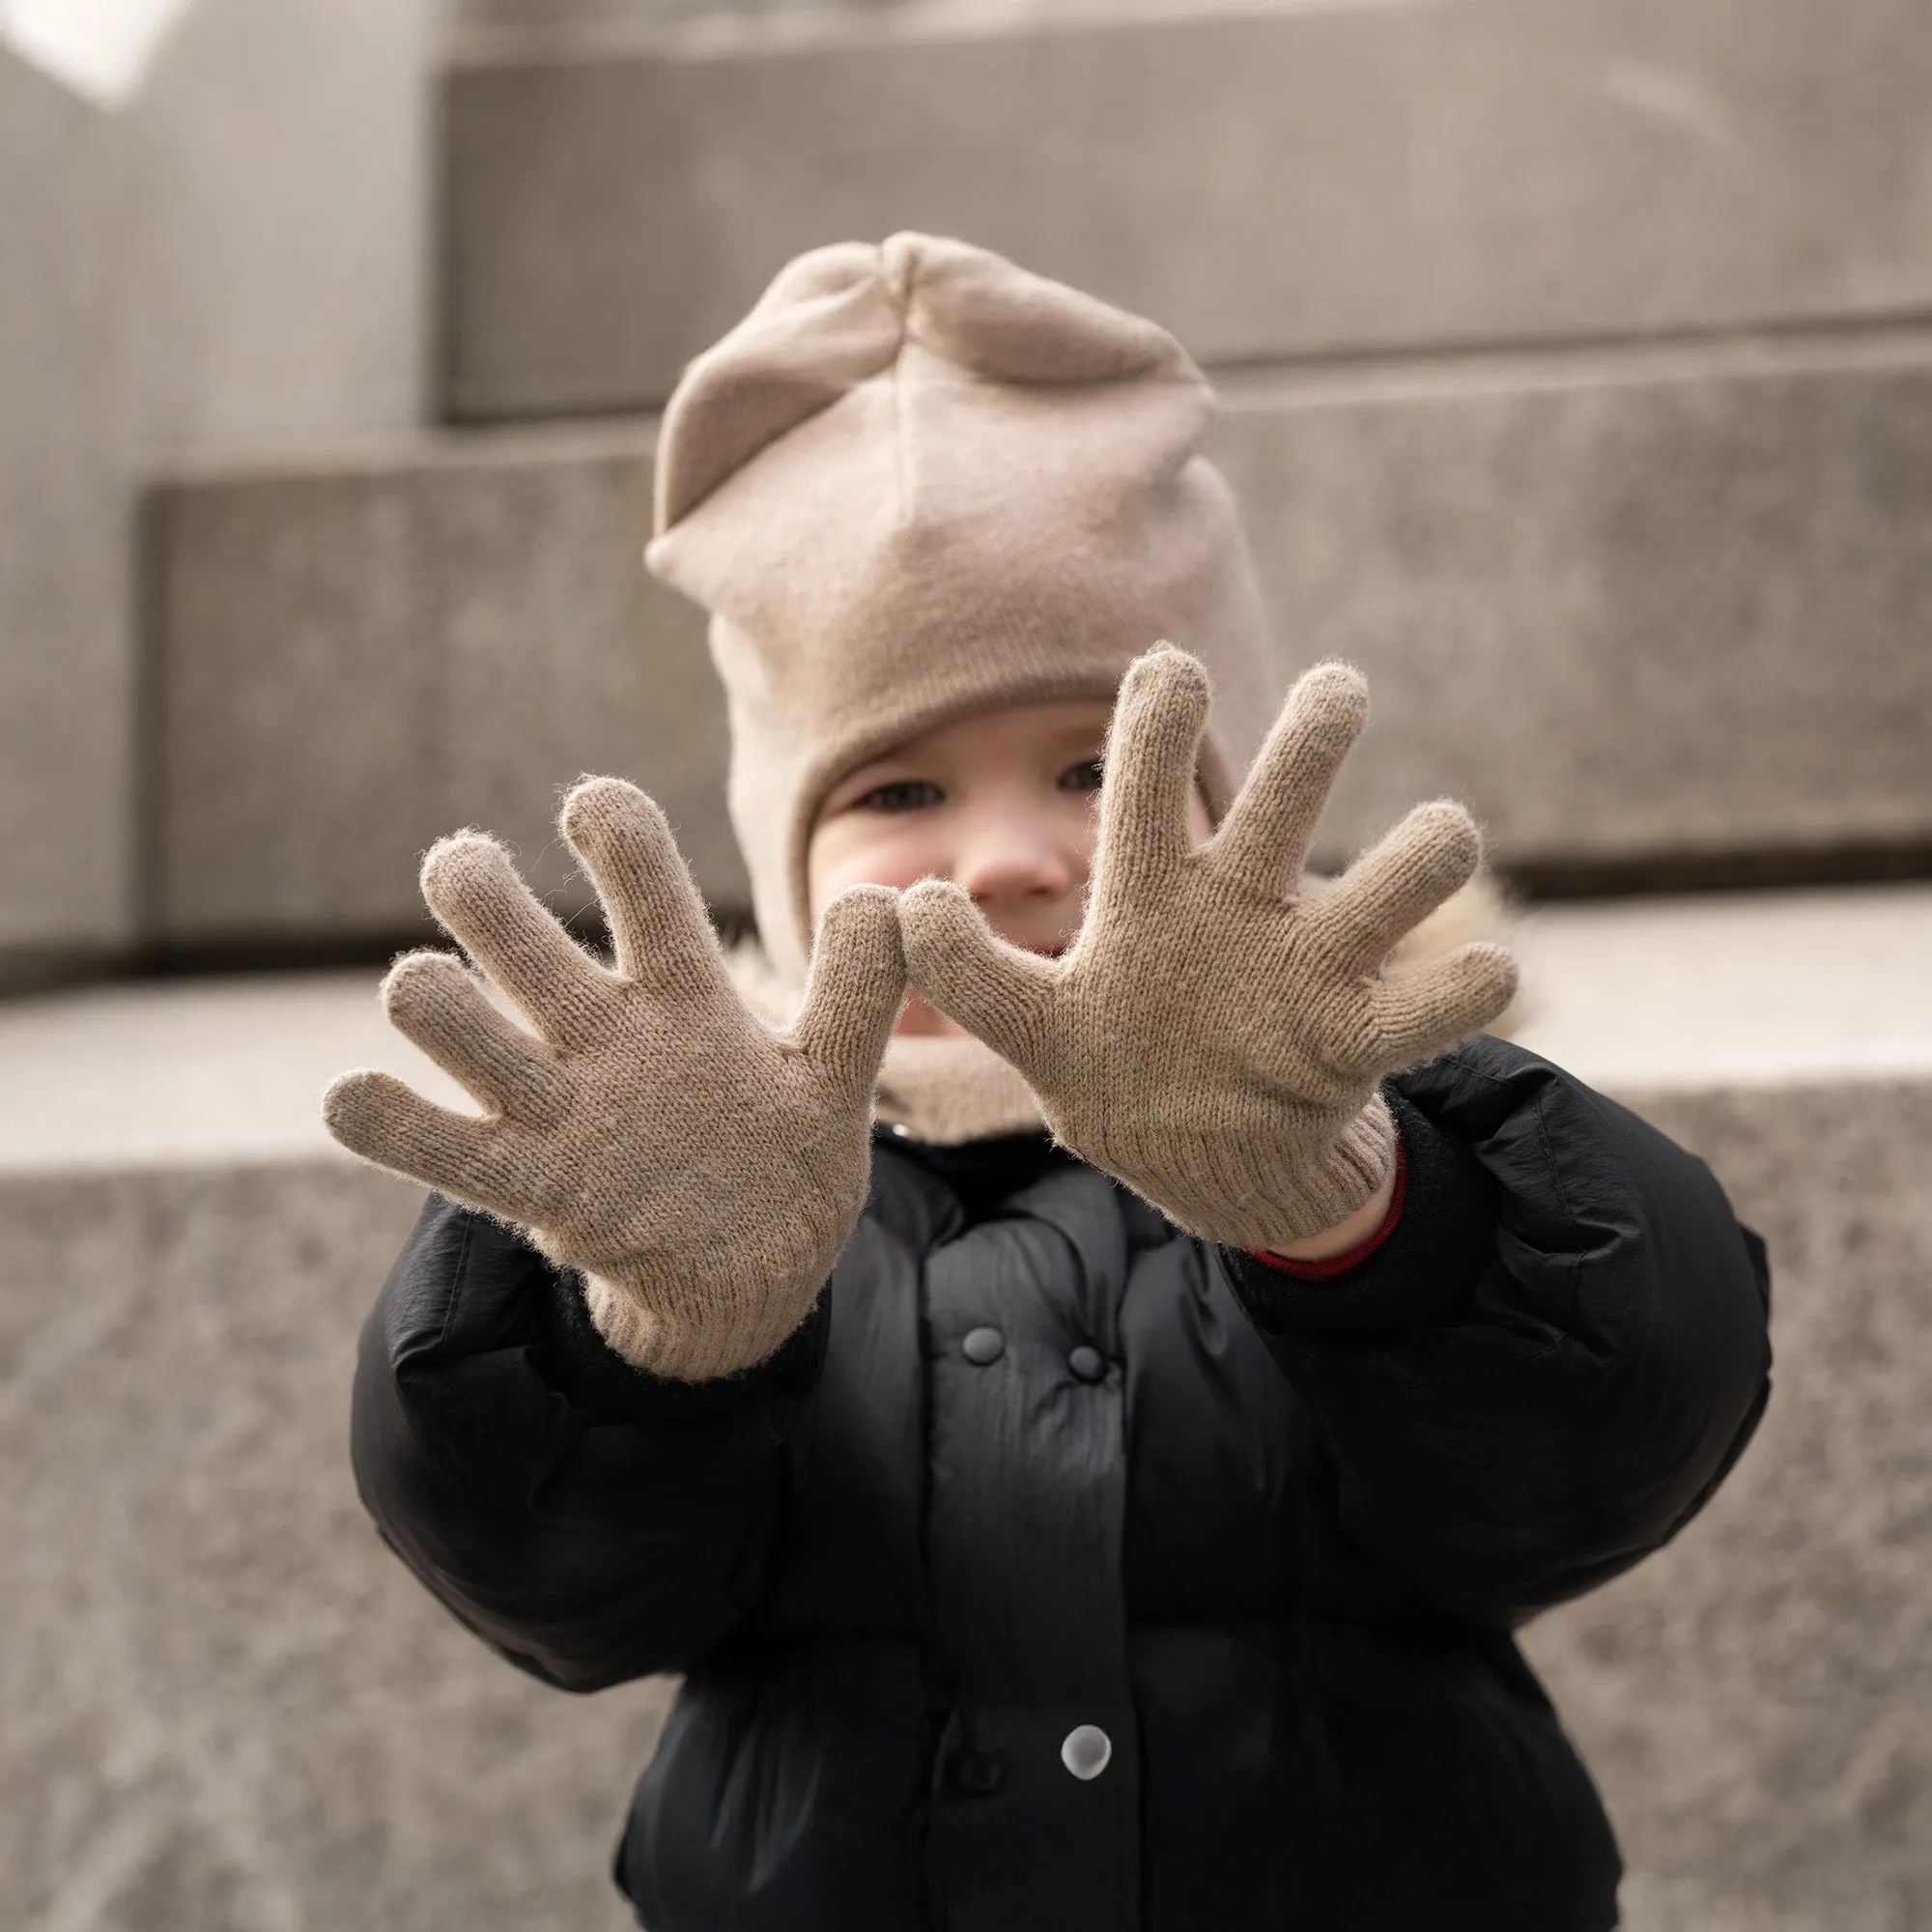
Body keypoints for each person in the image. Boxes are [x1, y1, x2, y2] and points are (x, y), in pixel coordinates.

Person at [325, 235, 1772, 1932]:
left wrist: (1355, 1216)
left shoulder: (1373, 1114)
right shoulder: (703, 1175)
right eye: (900, 791)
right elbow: (571, 1593)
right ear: (785, 869)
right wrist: (646, 1335)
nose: (1006, 858)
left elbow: (1595, 1459)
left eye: (1097, 766)